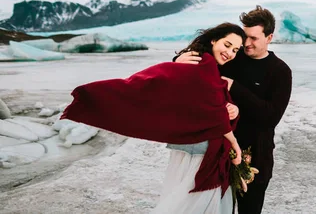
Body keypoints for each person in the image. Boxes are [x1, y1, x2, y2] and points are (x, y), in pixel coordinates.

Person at [61, 23, 246, 214]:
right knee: (190, 202)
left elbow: (201, 102)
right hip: (198, 148)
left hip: (192, 145)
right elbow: (204, 106)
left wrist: (231, 107)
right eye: (227, 45)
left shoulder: (206, 65)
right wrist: (233, 142)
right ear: (214, 40)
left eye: (235, 50)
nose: (230, 53)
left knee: (185, 198)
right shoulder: (202, 65)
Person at [175, 6, 292, 214]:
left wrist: (234, 87)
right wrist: (178, 63)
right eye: (245, 36)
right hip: (219, 156)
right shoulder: (232, 58)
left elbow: (270, 117)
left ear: (269, 37)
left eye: (254, 38)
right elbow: (199, 70)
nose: (246, 43)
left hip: (255, 159)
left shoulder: (280, 71)